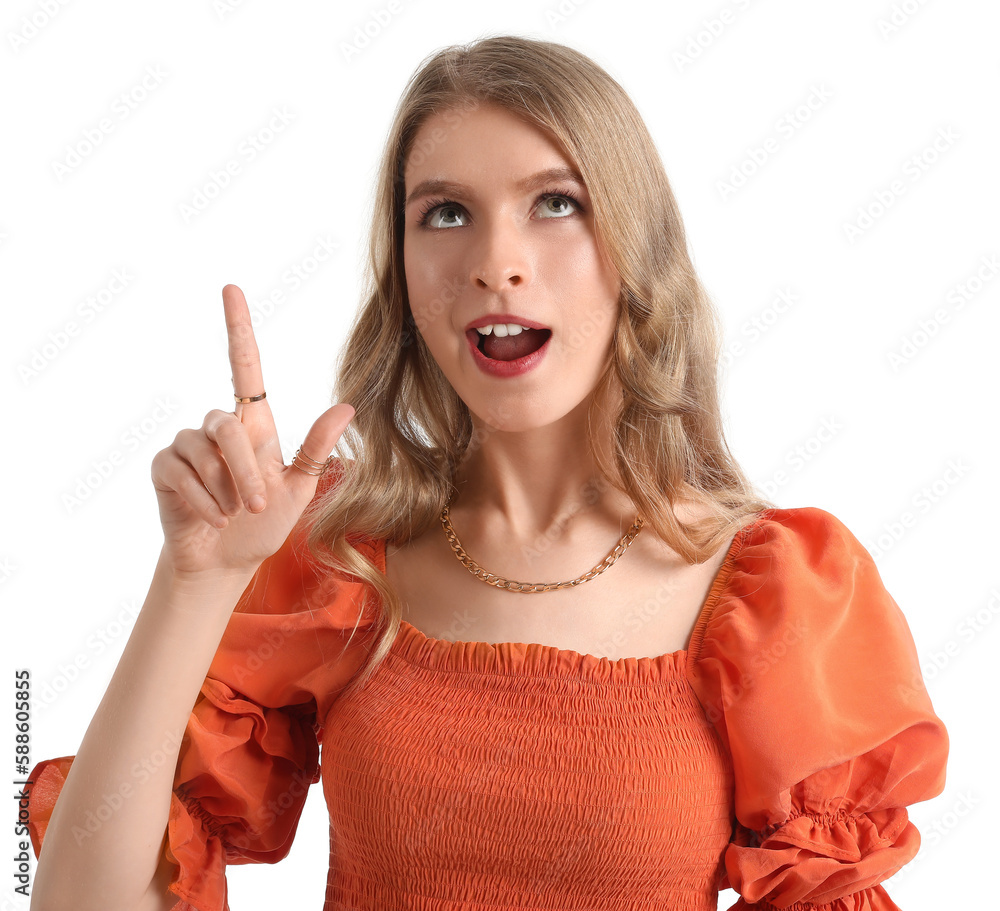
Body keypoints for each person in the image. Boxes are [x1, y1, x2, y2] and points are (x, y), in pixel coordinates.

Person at [25, 35, 948, 911]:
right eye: (446, 212)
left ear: (637, 252)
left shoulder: (778, 592)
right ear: (405, 273)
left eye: (556, 203)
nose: (495, 264)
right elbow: (83, 898)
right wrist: (198, 580)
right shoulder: (340, 562)